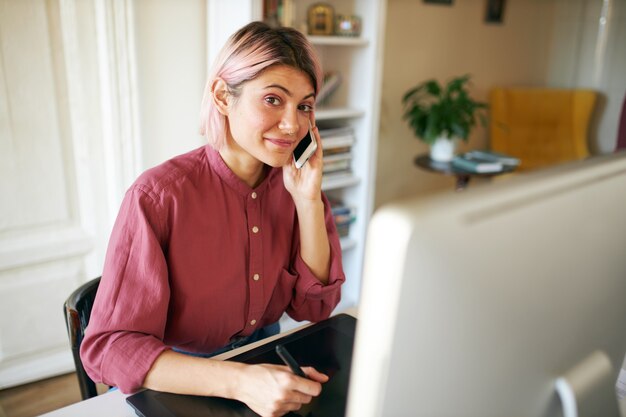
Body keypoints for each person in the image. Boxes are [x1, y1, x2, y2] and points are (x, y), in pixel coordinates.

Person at [80, 21, 345, 417]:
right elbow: (109, 346)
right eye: (273, 99)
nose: (293, 125)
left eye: (304, 106)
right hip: (180, 374)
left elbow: (315, 310)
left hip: (264, 358)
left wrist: (307, 202)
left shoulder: (297, 184)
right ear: (223, 96)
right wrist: (238, 381)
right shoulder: (158, 196)